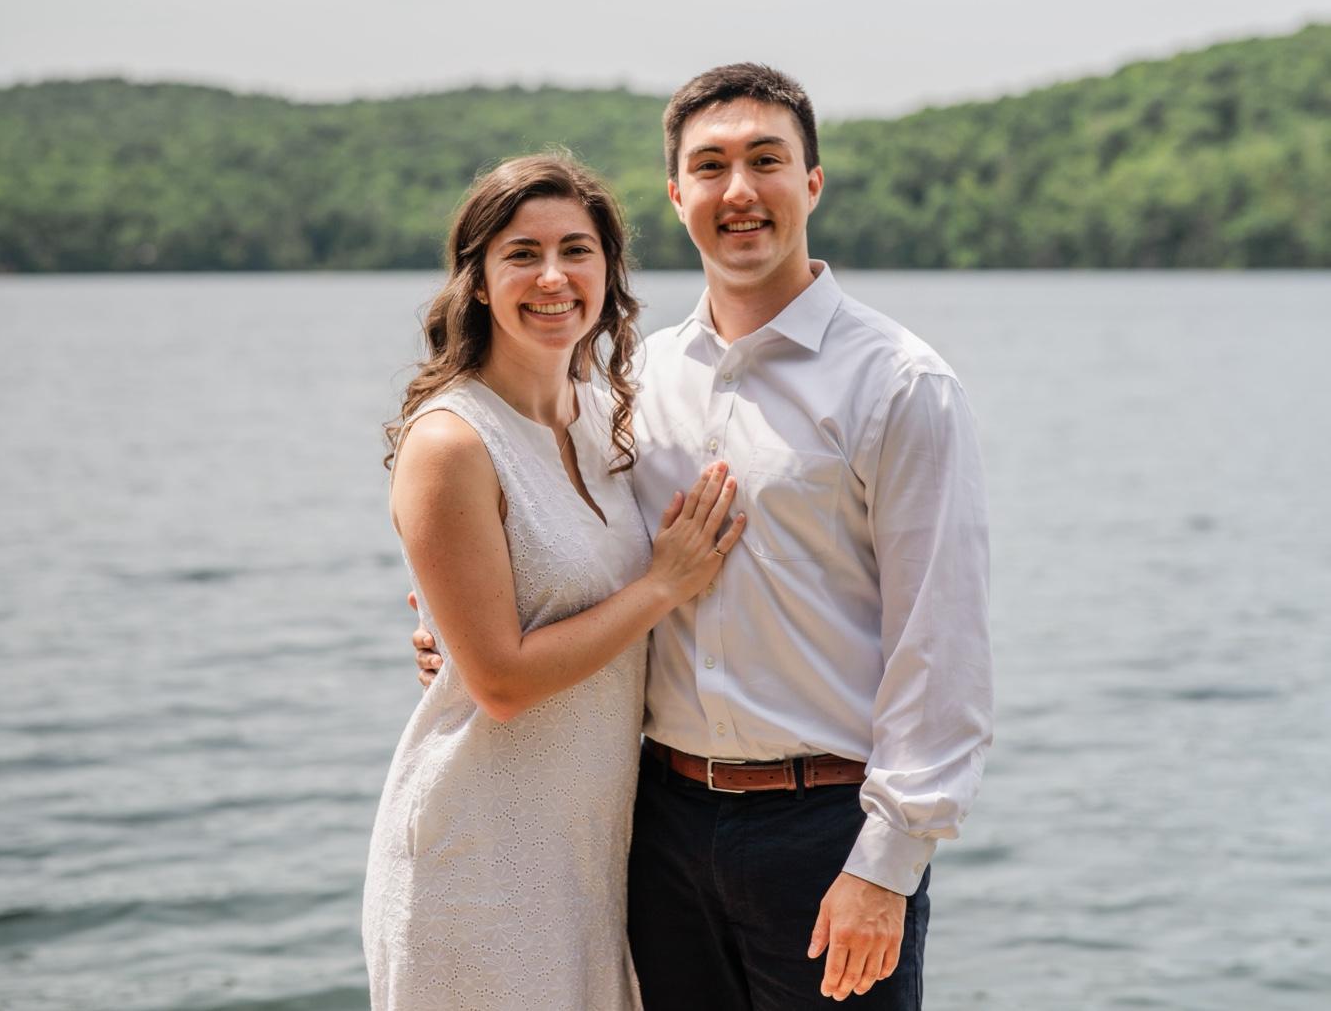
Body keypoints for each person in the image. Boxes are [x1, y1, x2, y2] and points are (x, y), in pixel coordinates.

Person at [415, 63, 993, 1009]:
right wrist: (469, 632)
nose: (739, 191)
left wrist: (887, 865)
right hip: (655, 827)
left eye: (767, 160)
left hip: (825, 830)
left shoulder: (898, 385)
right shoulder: (631, 388)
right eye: (710, 165)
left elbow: (944, 642)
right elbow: (569, 551)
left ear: (812, 183)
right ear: (676, 194)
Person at [364, 153, 746, 1010]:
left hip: (594, 852)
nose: (551, 276)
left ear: (609, 272)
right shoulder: (452, 442)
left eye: (576, 249)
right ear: (478, 280)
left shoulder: (605, 410)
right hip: (478, 856)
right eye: (520, 254)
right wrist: (662, 585)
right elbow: (499, 682)